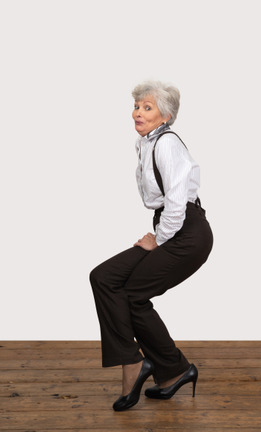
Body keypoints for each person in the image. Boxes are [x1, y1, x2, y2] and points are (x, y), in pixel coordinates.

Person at [89, 80, 213, 412]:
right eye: (137, 106)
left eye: (148, 107)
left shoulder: (167, 145)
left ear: (166, 116)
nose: (138, 112)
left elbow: (176, 203)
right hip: (173, 227)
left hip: (186, 232)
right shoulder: (146, 143)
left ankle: (143, 366)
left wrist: (158, 239)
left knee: (130, 294)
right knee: (104, 277)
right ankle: (170, 369)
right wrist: (158, 234)